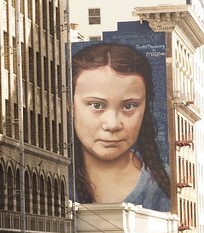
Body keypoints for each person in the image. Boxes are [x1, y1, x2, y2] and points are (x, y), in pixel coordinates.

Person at [71, 42, 170, 212]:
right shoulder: (48, 176)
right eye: (96, 105)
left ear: (145, 107)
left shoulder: (163, 182)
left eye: (129, 106)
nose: (113, 124)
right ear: (69, 105)